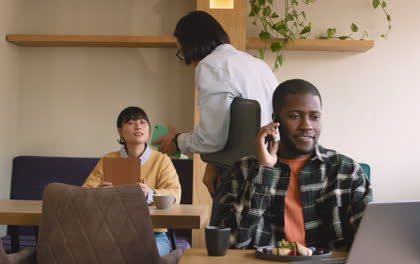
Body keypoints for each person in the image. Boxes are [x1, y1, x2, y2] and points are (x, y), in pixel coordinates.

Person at [218, 79, 372, 250]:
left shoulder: (347, 171)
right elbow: (231, 244)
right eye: (294, 116)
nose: (306, 126)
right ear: (275, 121)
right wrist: (264, 171)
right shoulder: (244, 170)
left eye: (314, 117)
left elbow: (371, 241)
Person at [154, 10, 278, 198]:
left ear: (191, 44)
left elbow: (212, 138)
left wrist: (177, 141)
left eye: (182, 51)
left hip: (242, 173)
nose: (187, 60)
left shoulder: (211, 65)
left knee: (227, 227)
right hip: (272, 168)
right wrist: (213, 163)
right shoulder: (258, 64)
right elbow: (234, 123)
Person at [82, 106, 182, 256]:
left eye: (143, 122)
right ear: (120, 131)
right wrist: (99, 193)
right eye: (131, 122)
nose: (138, 126)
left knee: (138, 255)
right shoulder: (108, 160)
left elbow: (175, 194)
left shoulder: (162, 160)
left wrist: (149, 194)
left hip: (152, 234)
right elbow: (83, 194)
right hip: (112, 232)